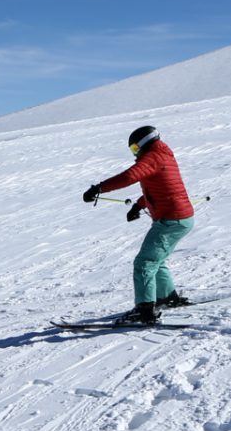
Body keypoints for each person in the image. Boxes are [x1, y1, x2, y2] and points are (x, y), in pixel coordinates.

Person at [82, 125, 195, 324]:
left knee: (144, 263)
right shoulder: (162, 156)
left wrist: (99, 188)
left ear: (144, 143)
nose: (135, 153)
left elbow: (129, 176)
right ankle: (167, 297)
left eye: (135, 148)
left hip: (171, 220)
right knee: (155, 260)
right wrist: (139, 205)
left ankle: (145, 309)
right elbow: (161, 188)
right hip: (179, 218)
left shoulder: (153, 156)